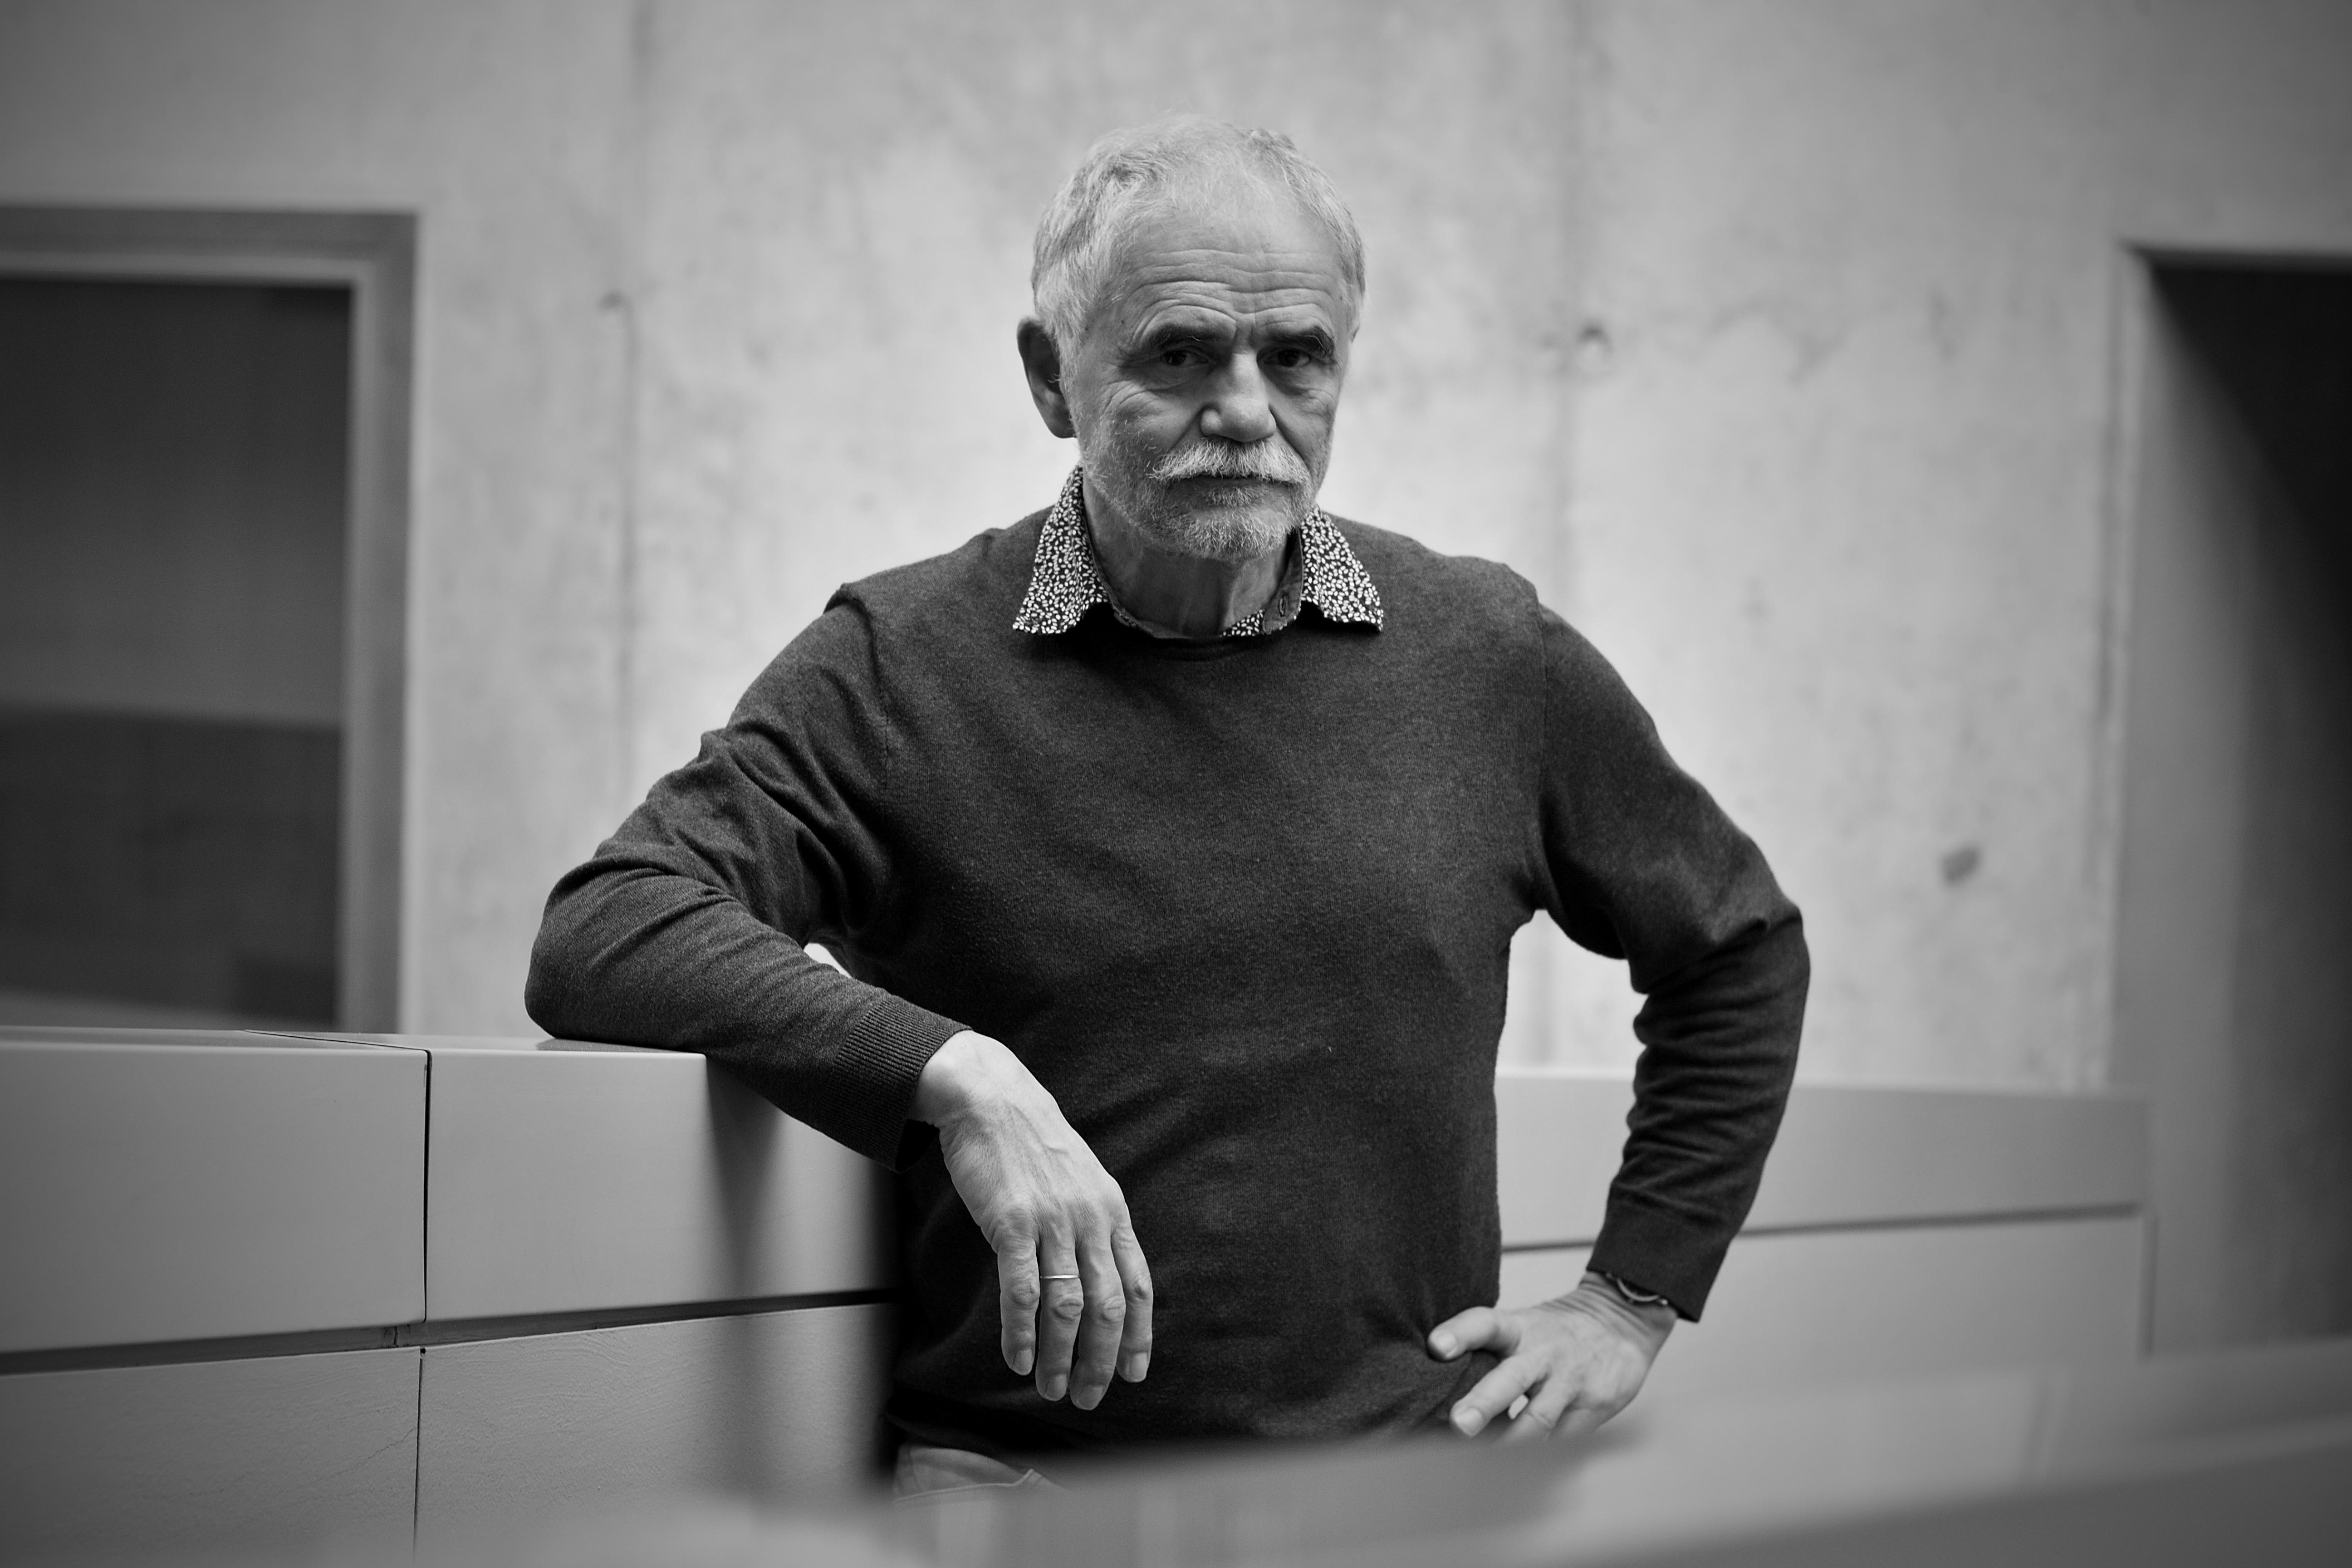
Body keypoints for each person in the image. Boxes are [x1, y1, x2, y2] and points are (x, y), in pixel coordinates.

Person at [526, 116, 1808, 1491]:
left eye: (1297, 356)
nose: (1247, 411)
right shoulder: (904, 665)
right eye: (1180, 354)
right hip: (1019, 1502)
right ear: (1050, 376)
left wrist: (1630, 1297)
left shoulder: (1487, 656)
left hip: (1401, 1507)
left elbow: (1735, 947)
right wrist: (956, 1077)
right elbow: (610, 927)